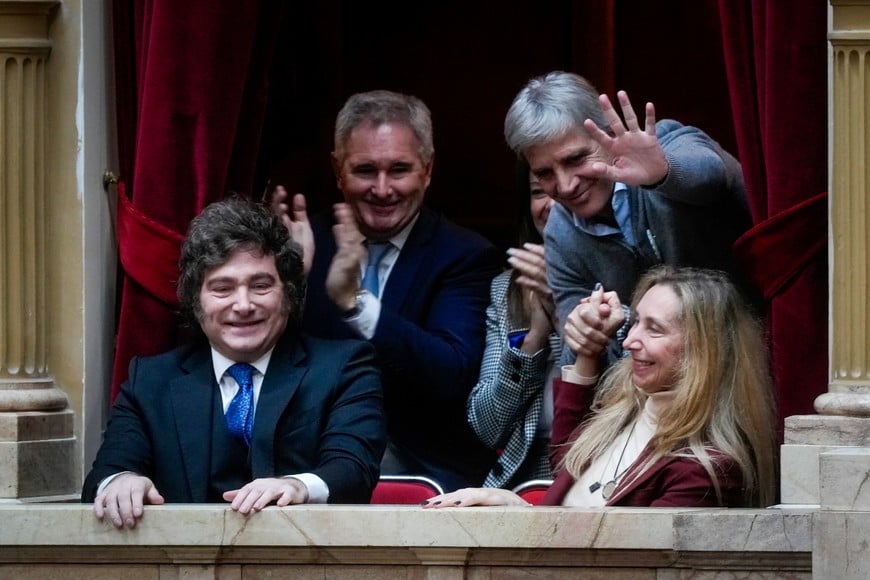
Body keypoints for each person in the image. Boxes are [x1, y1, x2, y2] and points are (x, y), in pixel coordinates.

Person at [82, 198, 386, 529]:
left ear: (287, 293)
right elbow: (105, 474)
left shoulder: (345, 366)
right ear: (196, 300)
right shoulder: (150, 380)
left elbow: (353, 469)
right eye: (222, 288)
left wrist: (299, 486)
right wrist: (121, 481)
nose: (243, 305)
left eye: (260, 286)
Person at [272, 90, 502, 491]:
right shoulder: (303, 243)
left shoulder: (465, 255)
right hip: (305, 466)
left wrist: (357, 305)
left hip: (425, 475)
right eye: (365, 170)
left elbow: (452, 373)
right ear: (338, 169)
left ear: (427, 169)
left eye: (399, 169)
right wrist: (288, 284)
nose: (382, 189)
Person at [422, 266, 777, 508]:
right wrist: (588, 354)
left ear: (704, 350)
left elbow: (623, 562)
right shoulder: (635, 409)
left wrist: (518, 514)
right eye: (636, 321)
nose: (628, 341)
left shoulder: (710, 469)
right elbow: (568, 464)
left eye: (653, 329)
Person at [503, 71, 756, 366]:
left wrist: (663, 173)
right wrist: (585, 332)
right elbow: (581, 358)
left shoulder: (662, 144)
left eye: (575, 160)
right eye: (545, 173)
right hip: (658, 383)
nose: (566, 185)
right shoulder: (560, 234)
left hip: (747, 346)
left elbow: (712, 176)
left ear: (609, 132)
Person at [467, 162, 560, 489]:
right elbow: (487, 425)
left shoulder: (620, 274)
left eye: (562, 189)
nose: (550, 202)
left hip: (605, 478)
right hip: (526, 480)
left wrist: (563, 317)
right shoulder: (507, 290)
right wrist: (535, 339)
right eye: (538, 192)